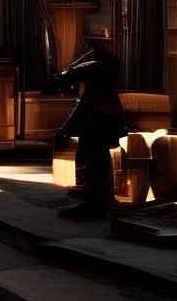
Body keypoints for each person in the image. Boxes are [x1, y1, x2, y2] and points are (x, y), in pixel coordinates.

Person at [52, 39, 126, 219]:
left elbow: (67, 77)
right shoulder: (109, 66)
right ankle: (96, 200)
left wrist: (66, 129)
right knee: (99, 163)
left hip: (98, 122)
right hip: (107, 119)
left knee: (96, 163)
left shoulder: (96, 67)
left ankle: (95, 204)